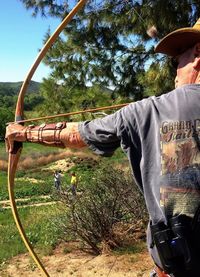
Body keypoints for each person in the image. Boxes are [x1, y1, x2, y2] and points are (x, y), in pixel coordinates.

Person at [5, 19, 200, 277]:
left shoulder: (150, 111)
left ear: (198, 55)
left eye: (178, 61)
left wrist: (23, 133)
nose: (175, 73)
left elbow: (76, 134)